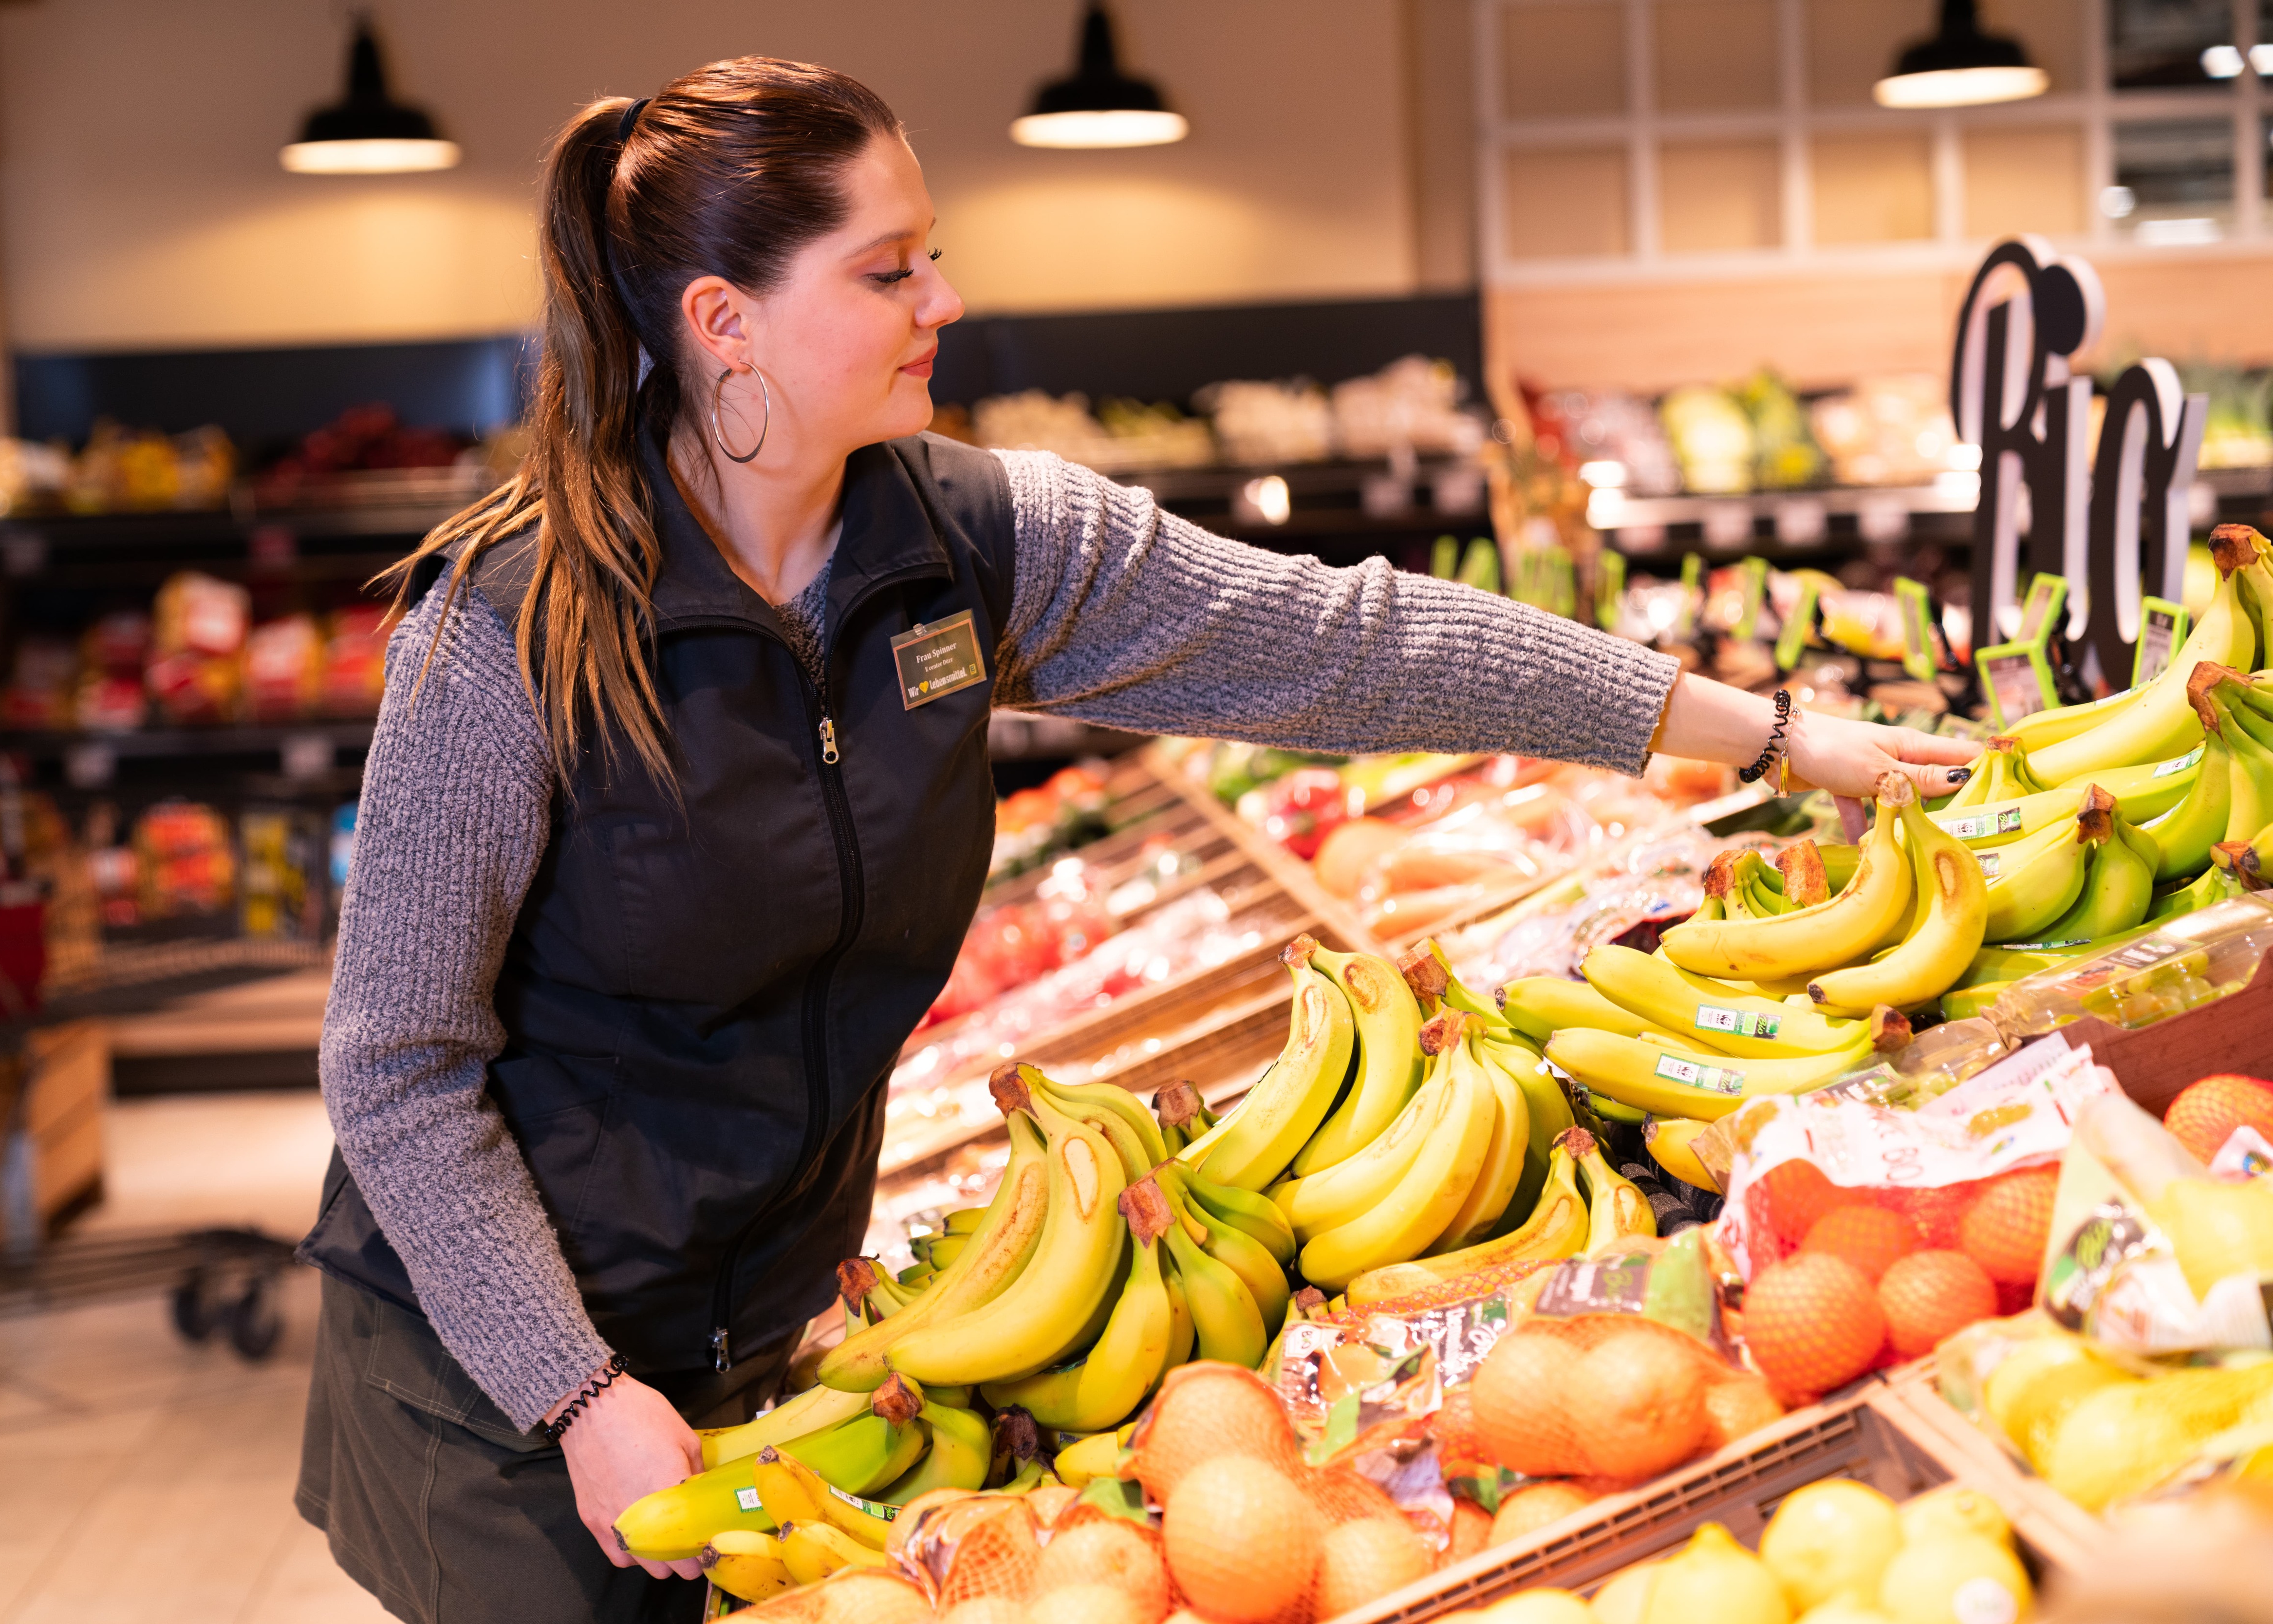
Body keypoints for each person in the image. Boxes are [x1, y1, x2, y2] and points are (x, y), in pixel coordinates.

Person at [294, 56, 1976, 1624]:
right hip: (494, 1384)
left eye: (932, 256)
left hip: (782, 1340)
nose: (944, 301)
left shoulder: (977, 544)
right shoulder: (512, 631)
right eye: (889, 273)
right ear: (727, 322)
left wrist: (1767, 734)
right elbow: (397, 1071)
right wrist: (575, 1395)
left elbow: (1357, 645)